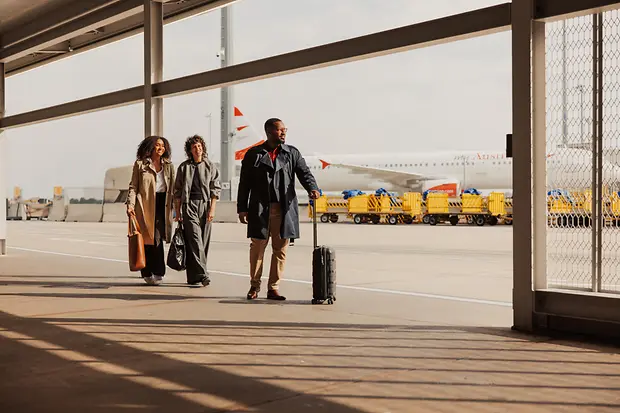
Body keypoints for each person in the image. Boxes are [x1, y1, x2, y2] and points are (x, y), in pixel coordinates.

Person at [237, 118, 320, 301]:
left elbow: (304, 173)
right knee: (257, 248)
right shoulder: (254, 154)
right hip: (260, 209)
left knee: (280, 250)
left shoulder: (292, 153)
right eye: (280, 130)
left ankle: (273, 287)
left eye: (285, 129)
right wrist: (242, 208)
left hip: (284, 209)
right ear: (269, 132)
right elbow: (245, 183)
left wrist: (312, 188)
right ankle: (254, 286)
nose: (284, 132)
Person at [126, 135, 176, 285]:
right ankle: (146, 271)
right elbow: (133, 186)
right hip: (145, 204)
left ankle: (159, 271)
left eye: (163, 145)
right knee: (147, 239)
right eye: (157, 145)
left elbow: (174, 188)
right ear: (150, 147)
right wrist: (130, 204)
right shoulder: (140, 165)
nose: (160, 148)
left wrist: (177, 208)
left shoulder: (169, 166)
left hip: (163, 203)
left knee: (158, 238)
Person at [173, 134, 221, 287]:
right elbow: (177, 192)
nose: (197, 149)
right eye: (194, 147)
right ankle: (204, 274)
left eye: (199, 146)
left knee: (203, 242)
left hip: (206, 205)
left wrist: (212, 209)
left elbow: (215, 189)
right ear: (190, 150)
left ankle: (194, 277)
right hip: (189, 205)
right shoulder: (184, 167)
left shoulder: (211, 166)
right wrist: (178, 212)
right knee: (195, 240)